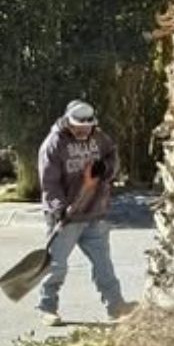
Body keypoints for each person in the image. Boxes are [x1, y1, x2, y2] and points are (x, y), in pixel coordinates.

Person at [37, 100, 135, 326]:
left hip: (94, 212)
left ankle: (116, 306)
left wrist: (106, 169)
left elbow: (112, 155)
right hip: (66, 217)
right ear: (68, 122)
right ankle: (47, 307)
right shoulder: (53, 144)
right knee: (56, 265)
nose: (82, 131)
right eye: (77, 127)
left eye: (87, 127)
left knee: (104, 264)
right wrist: (59, 208)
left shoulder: (100, 138)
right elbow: (49, 183)